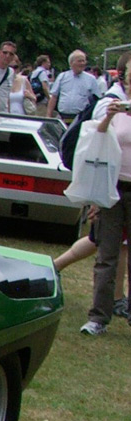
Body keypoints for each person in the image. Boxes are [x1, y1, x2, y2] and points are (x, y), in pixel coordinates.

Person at [79, 52, 131, 337]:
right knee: (107, 254)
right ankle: (99, 317)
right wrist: (108, 119)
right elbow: (95, 146)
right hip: (114, 188)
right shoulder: (111, 105)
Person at [48, 50, 102, 121]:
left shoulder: (91, 79)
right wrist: (48, 116)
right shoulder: (62, 76)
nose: (82, 63)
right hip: (63, 117)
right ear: (71, 63)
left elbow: (97, 99)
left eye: (84, 61)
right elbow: (54, 97)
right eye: (79, 61)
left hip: (81, 118)